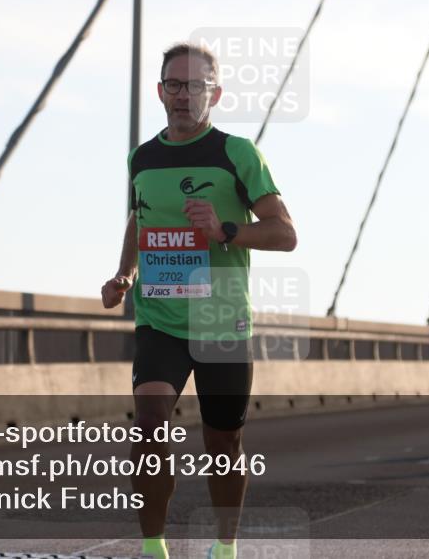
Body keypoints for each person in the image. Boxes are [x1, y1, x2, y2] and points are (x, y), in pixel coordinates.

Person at [101, 42, 297, 559]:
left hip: (221, 320)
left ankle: (224, 547)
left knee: (223, 447)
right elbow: (140, 217)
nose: (183, 95)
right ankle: (153, 547)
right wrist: (125, 273)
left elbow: (285, 234)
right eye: (174, 85)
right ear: (160, 91)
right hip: (160, 319)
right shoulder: (142, 158)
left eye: (195, 86)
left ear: (216, 93)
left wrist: (226, 229)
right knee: (148, 423)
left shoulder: (237, 154)